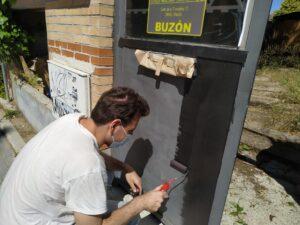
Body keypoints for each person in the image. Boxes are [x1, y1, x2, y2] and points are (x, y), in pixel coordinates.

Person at [0, 87, 167, 225]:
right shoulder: (88, 166)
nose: (130, 135)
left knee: (118, 207)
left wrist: (125, 168)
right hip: (26, 220)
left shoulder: (72, 121)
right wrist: (141, 203)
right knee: (130, 213)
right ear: (115, 125)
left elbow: (89, 153)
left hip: (10, 213)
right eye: (130, 131)